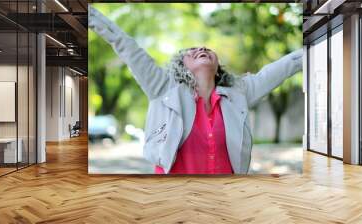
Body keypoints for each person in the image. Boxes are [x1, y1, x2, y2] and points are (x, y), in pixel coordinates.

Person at [89, 6, 303, 174]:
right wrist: (87, 14)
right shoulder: (163, 87)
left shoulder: (239, 92)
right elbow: (126, 45)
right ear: (181, 65)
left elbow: (280, 69)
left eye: (207, 49)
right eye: (192, 51)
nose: (201, 49)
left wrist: (313, 46)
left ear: (217, 65)